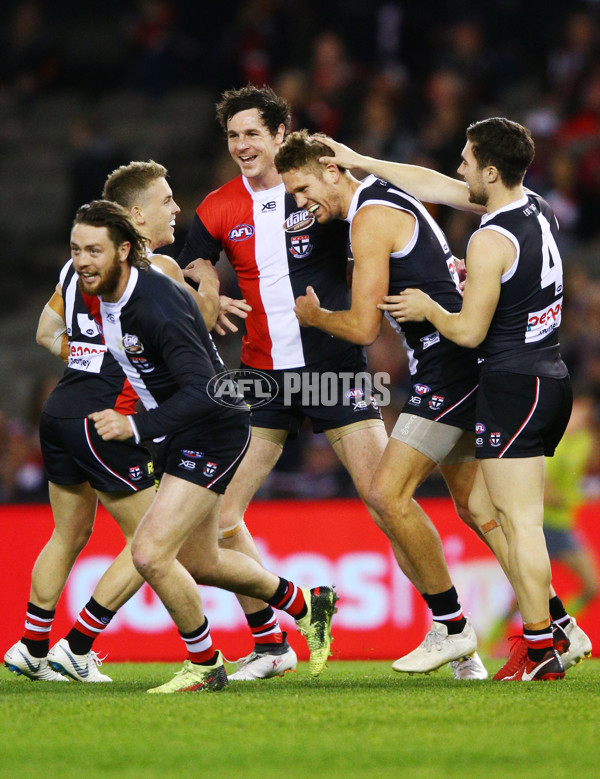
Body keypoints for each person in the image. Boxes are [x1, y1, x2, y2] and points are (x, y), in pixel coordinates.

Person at [178, 84, 482, 680]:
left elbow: (386, 223)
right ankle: (273, 644)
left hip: (336, 372)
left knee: (383, 501)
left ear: (279, 136)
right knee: (218, 518)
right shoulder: (217, 206)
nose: (241, 146)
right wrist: (206, 292)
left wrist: (447, 269)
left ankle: (453, 634)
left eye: (252, 134)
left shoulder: (320, 194)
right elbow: (190, 262)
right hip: (262, 378)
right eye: (233, 136)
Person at [317, 129, 593, 680]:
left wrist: (427, 306)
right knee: (487, 513)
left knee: (516, 524)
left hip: (512, 382)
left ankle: (534, 645)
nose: (458, 171)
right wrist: (357, 158)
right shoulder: (535, 208)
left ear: (490, 172)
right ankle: (557, 629)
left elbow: (467, 332)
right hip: (547, 375)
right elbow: (431, 185)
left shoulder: (488, 241)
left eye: (466, 162)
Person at [79, 199, 337, 693]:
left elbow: (203, 389)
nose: (83, 260)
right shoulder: (104, 291)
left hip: (212, 427)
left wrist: (137, 427)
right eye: (76, 249)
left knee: (152, 553)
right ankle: (310, 605)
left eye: (94, 249)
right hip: (184, 429)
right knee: (201, 562)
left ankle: (205, 663)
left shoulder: (153, 302)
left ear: (124, 250)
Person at [273, 129, 498, 678]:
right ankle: (554, 624)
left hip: (446, 370)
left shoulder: (368, 220)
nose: (302, 204)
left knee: (386, 494)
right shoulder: (382, 197)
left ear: (332, 172)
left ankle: (452, 627)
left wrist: (315, 317)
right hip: (461, 366)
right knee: (478, 511)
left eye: (303, 189)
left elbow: (362, 327)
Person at [4, 160, 221, 684]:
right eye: (166, 201)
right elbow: (202, 330)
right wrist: (210, 285)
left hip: (59, 411)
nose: (176, 209)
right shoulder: (158, 270)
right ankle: (77, 647)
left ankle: (31, 647)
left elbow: (43, 332)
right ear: (135, 218)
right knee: (151, 543)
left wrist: (85, 354)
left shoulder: (72, 268)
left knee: (68, 533)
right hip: (107, 417)